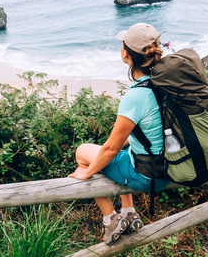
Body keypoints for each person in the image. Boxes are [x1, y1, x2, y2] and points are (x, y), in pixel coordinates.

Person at [68, 23, 170, 245]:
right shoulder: (166, 83)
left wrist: (87, 173)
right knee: (121, 149)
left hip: (147, 176)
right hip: (170, 168)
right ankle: (128, 211)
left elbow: (111, 148)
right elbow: (126, 140)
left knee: (82, 153)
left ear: (126, 54)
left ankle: (110, 219)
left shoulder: (136, 96)